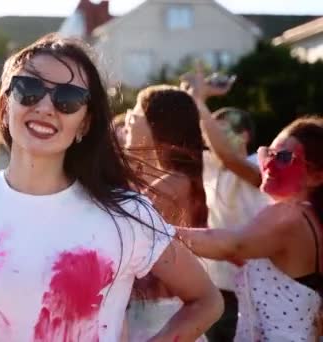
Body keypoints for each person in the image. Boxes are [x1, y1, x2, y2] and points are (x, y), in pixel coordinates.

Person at [0, 34, 222, 341]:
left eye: (68, 99)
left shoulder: (125, 214)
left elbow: (206, 300)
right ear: (6, 106)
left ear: (85, 122)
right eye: (29, 89)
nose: (46, 107)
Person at [177, 114, 323, 340]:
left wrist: (158, 231)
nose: (269, 164)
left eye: (285, 158)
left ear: (316, 176)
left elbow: (232, 245)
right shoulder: (309, 217)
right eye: (268, 154)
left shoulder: (289, 216)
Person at [180, 70, 271, 341]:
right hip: (215, 288)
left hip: (254, 290)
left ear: (243, 135)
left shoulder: (260, 166)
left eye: (221, 130)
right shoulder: (210, 165)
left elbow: (228, 157)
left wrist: (199, 99)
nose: (211, 137)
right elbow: (183, 136)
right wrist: (189, 96)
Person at [123, 85, 209, 341]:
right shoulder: (173, 180)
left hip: (159, 319)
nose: (127, 118)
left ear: (157, 126)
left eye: (134, 113)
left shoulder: (171, 186)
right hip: (159, 313)